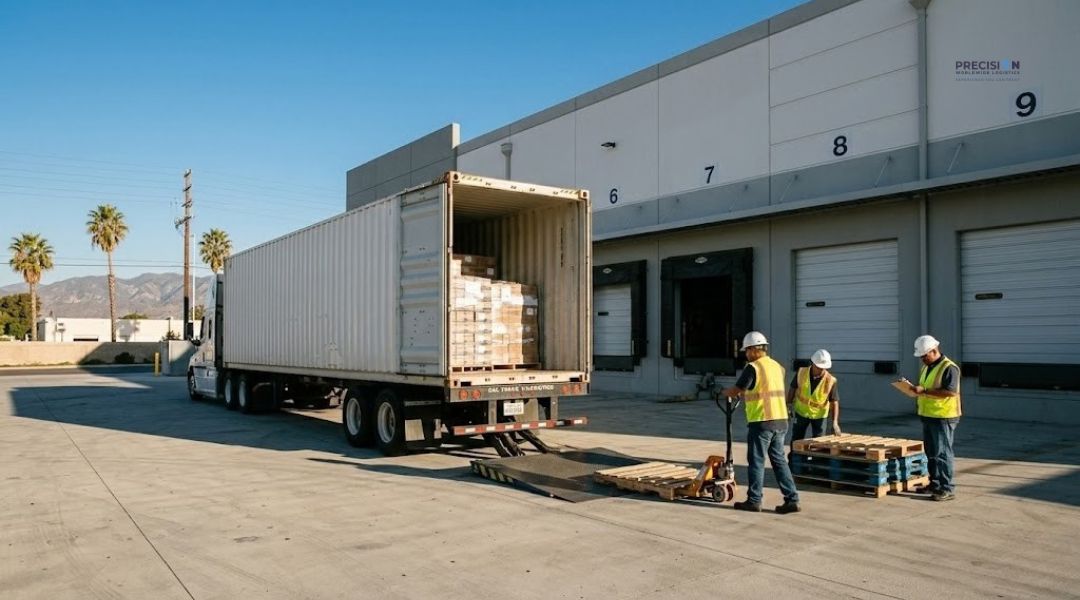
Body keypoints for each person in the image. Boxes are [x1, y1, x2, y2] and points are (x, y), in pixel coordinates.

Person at [720, 331, 801, 514]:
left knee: (756, 461)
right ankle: (792, 499)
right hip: (781, 420)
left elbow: (737, 390)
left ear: (755, 349)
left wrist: (723, 392)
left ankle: (754, 500)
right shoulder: (777, 367)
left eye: (747, 351)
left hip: (762, 422)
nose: (746, 355)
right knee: (779, 461)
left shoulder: (753, 367)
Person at [910, 335, 961, 502]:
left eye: (924, 355)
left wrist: (924, 391)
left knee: (943, 454)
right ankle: (934, 484)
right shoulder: (928, 367)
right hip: (928, 415)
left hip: (943, 417)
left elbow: (951, 392)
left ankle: (947, 488)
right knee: (931, 453)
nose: (922, 359)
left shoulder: (949, 368)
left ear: (934, 350)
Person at [787, 349, 841, 446]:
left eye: (824, 368)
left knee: (819, 443)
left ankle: (817, 461)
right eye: (819, 367)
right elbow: (792, 388)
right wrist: (788, 405)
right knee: (796, 440)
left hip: (819, 416)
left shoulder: (830, 380)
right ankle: (794, 460)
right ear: (813, 364)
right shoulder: (801, 372)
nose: (821, 370)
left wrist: (835, 422)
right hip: (801, 412)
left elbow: (834, 402)